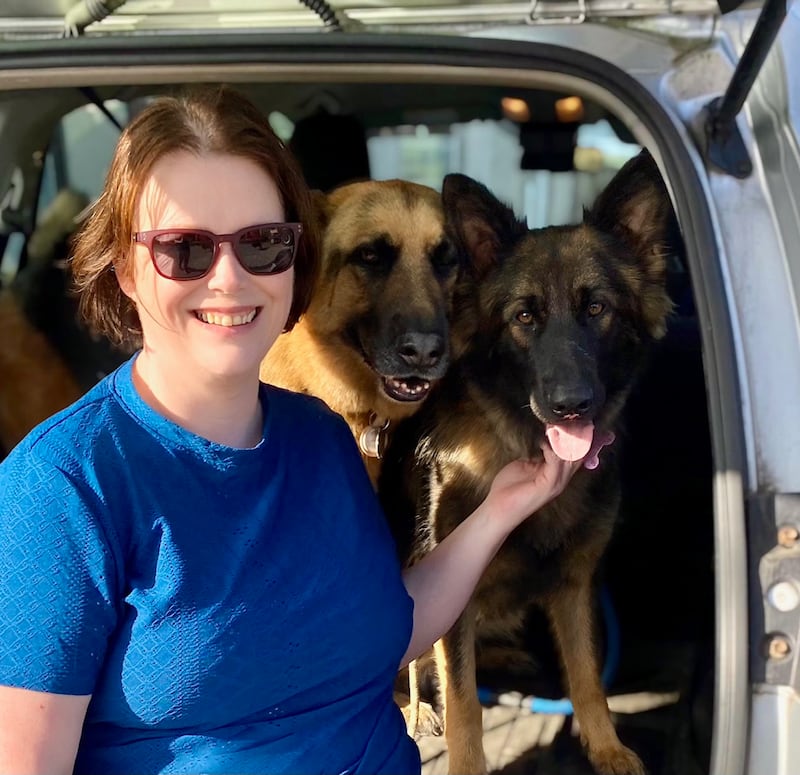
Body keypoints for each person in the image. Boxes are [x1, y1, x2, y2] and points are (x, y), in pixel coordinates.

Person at [0, 85, 602, 775]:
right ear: (126, 267)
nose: (228, 279)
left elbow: (385, 626)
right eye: (186, 249)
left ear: (298, 263)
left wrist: (505, 504)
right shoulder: (59, 489)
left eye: (263, 244)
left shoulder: (321, 436)